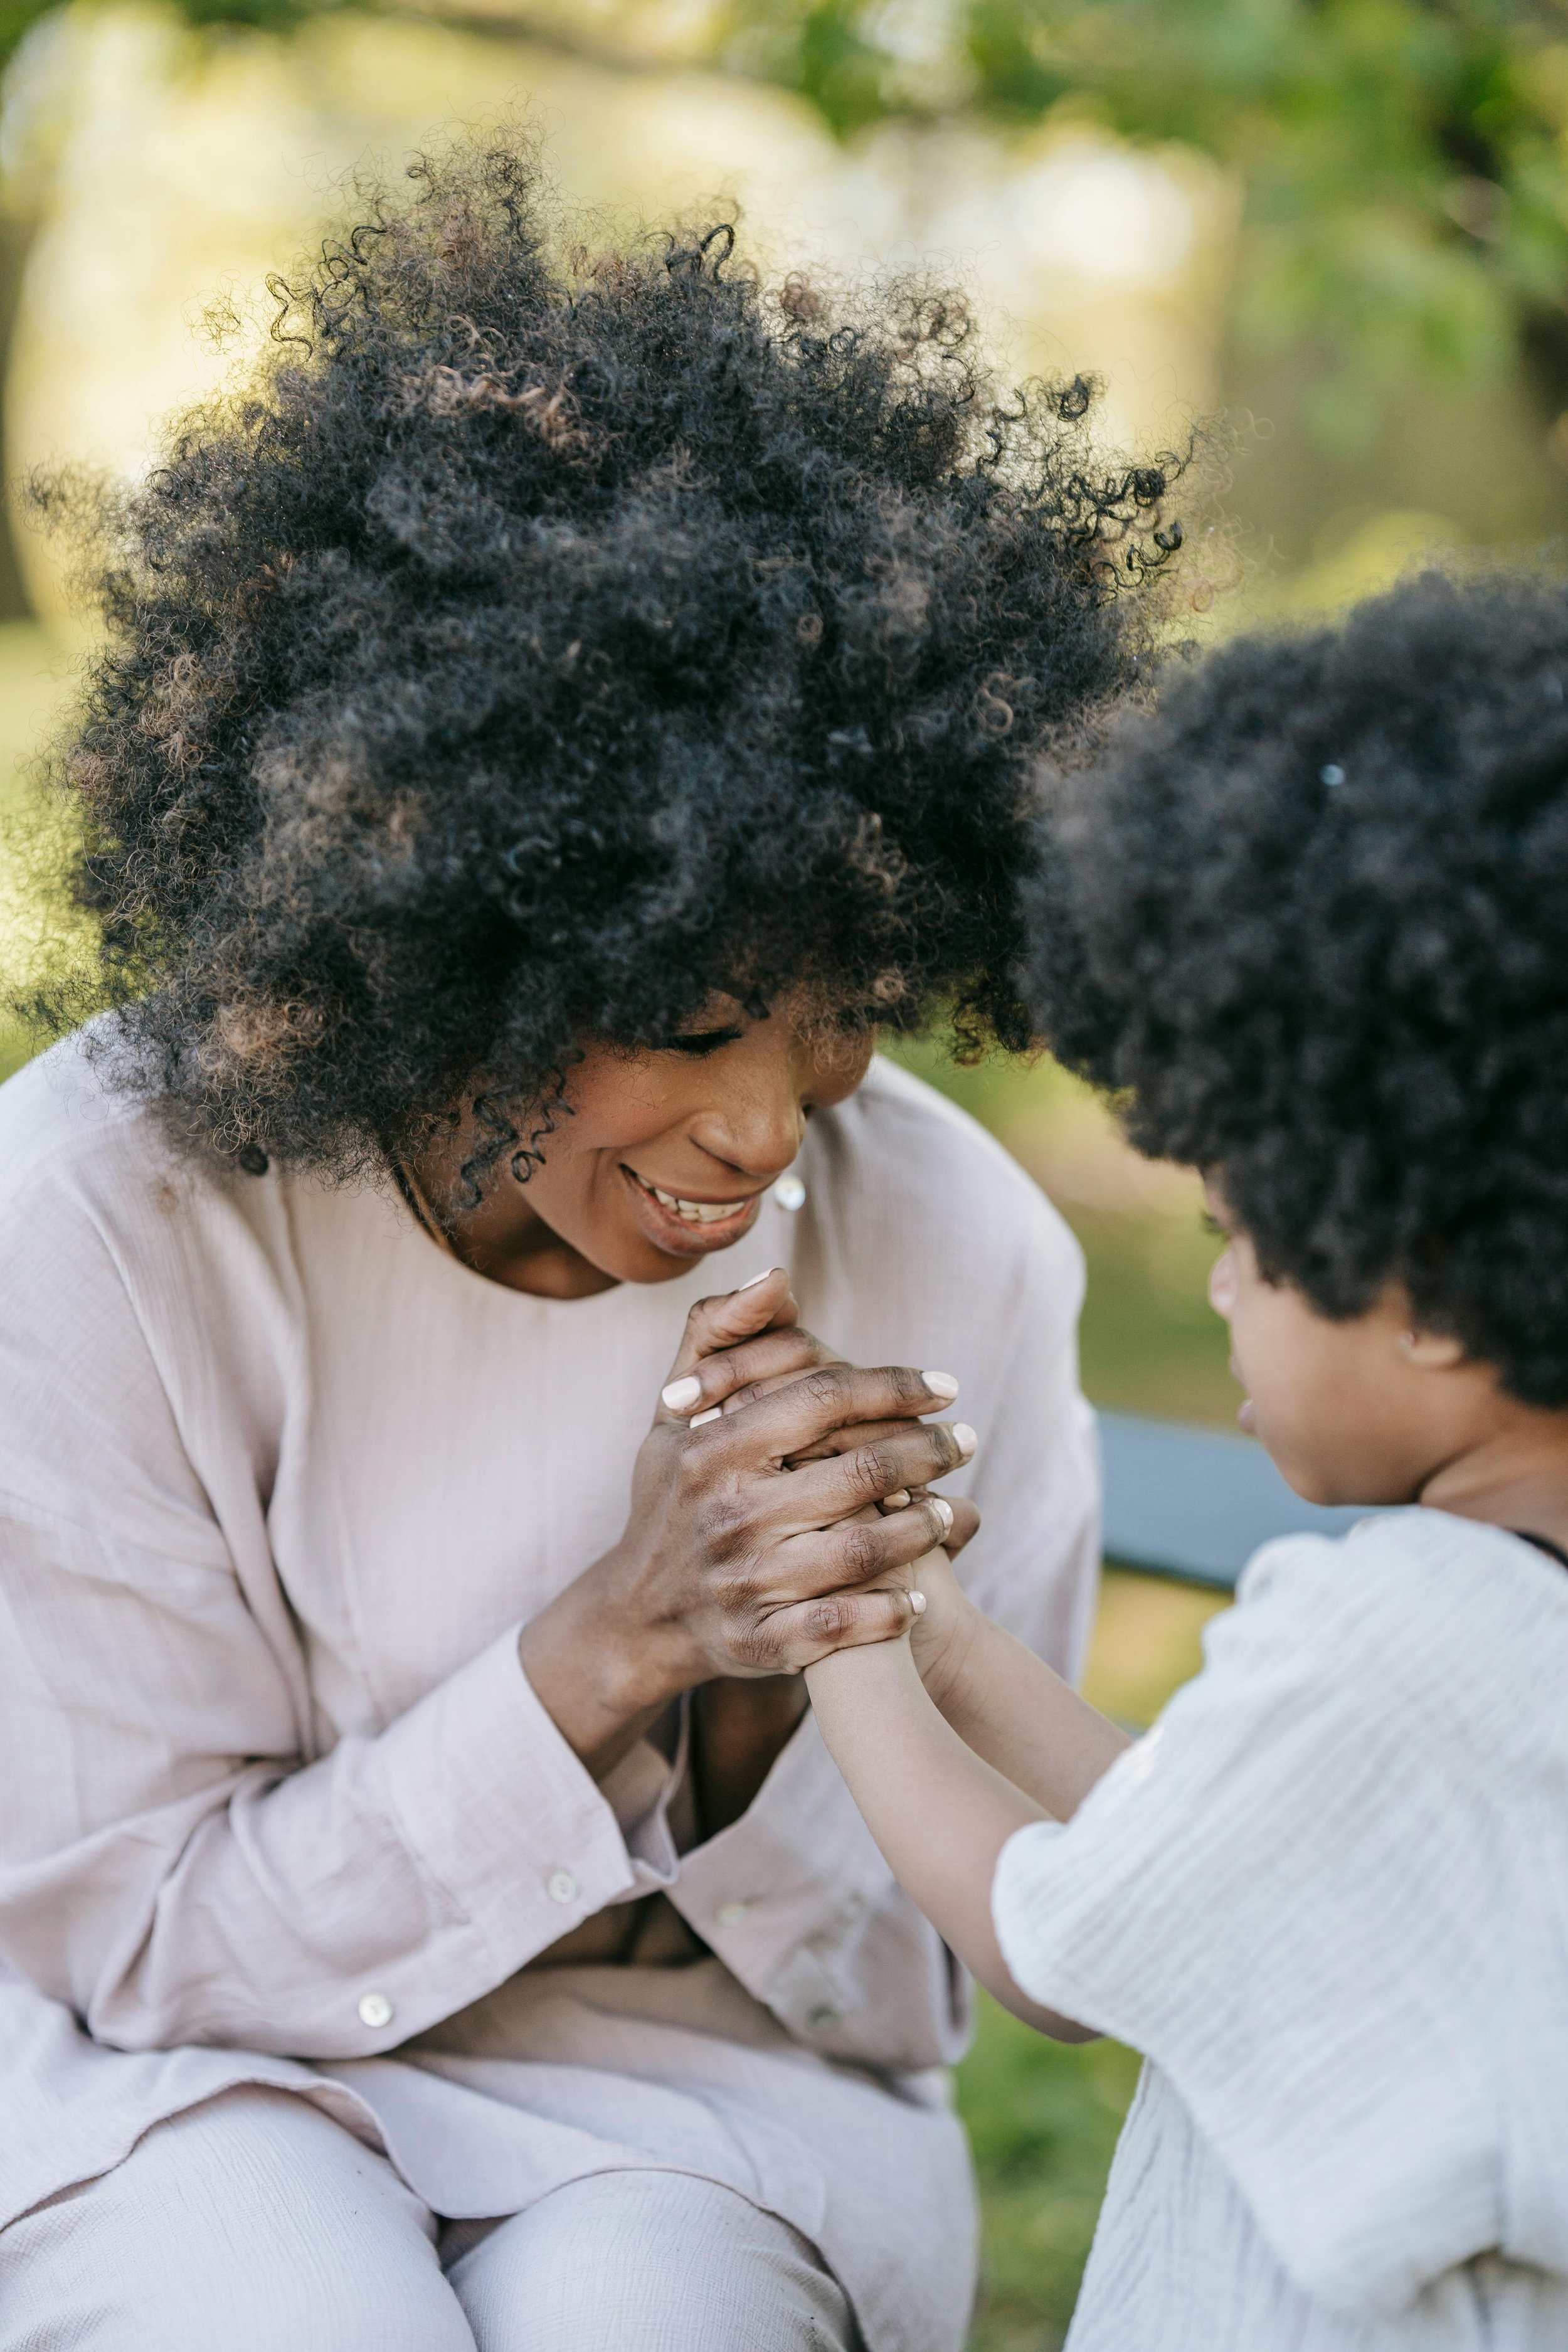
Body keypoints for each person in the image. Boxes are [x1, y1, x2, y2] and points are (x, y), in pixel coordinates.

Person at [0, 134, 1180, 2352]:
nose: (762, 1130)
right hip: (162, 2088)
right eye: (683, 1018)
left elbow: (942, 1970)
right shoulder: (96, 1221)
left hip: (710, 2103)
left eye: (828, 1017)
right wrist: (616, 1639)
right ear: (453, 932)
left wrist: (780, 1685)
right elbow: (129, 1940)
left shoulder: (961, 1261)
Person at [781, 573, 1568, 2348]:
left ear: (1429, 1284)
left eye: (1238, 1231)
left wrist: (838, 1639)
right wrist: (957, 1642)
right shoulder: (1497, 1650)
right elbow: (1218, 1845)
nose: (1212, 1282)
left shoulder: (1395, 1642)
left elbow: (1054, 1943)